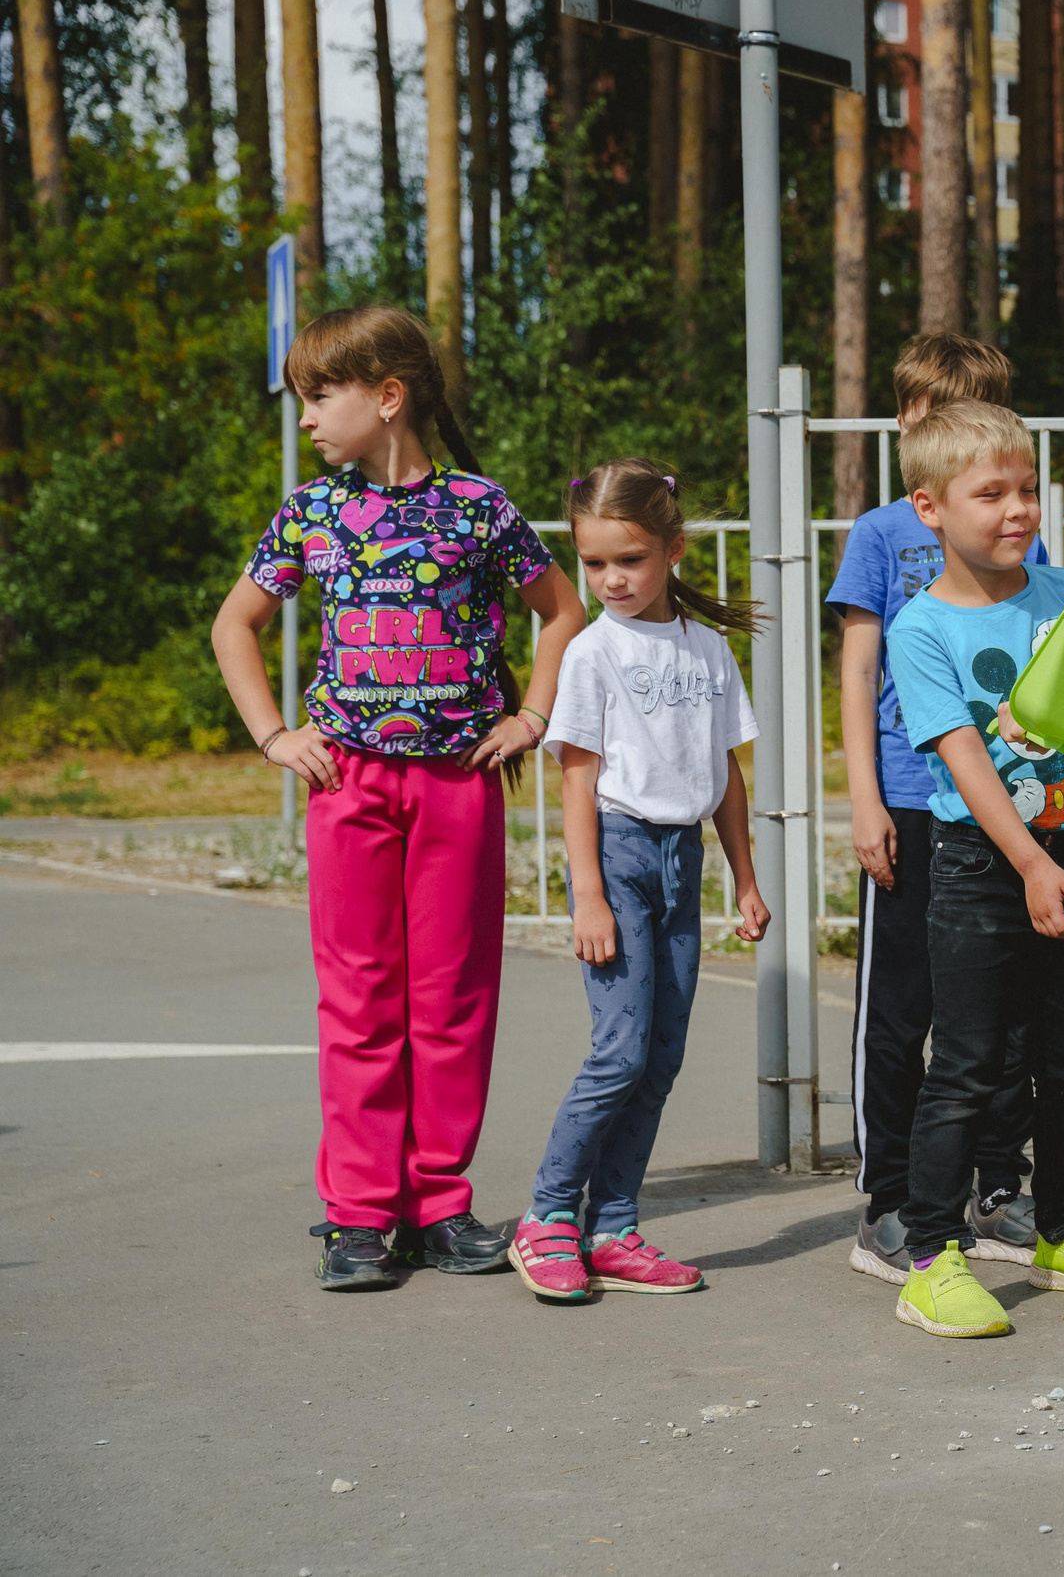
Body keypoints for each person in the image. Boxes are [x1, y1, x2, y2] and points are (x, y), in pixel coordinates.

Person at [209, 305, 583, 1292]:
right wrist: (275, 735)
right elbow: (234, 625)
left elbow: (562, 611)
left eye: (316, 396)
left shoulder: (479, 509)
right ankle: (361, 1213)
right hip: (348, 781)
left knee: (452, 998)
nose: (304, 418)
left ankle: (440, 1202)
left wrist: (533, 716)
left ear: (386, 397)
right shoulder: (310, 513)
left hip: (459, 782)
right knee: (360, 996)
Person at [877, 400, 1064, 1338]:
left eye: (1026, 488)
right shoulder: (919, 628)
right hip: (983, 865)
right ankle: (931, 1255)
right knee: (970, 1062)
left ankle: (1063, 1229)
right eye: (991, 493)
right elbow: (964, 758)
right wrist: (1025, 861)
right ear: (930, 507)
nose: (1017, 508)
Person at [508, 461, 770, 1302]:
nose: (611, 579)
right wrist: (587, 892)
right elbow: (577, 778)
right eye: (594, 562)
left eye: (630, 559)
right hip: (617, 858)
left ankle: (612, 1226)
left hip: (681, 861)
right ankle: (547, 1216)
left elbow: (725, 772)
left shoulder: (708, 649)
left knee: (659, 1059)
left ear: (673, 548)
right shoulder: (591, 652)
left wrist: (745, 877)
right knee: (618, 1053)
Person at [831, 334, 1051, 1284]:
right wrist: (865, 798)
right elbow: (860, 667)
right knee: (902, 1008)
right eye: (929, 413)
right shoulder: (881, 534)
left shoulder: (1018, 528)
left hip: (1001, 800)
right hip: (913, 797)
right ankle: (888, 1196)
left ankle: (998, 1186)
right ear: (906, 424)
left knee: (1004, 1012)